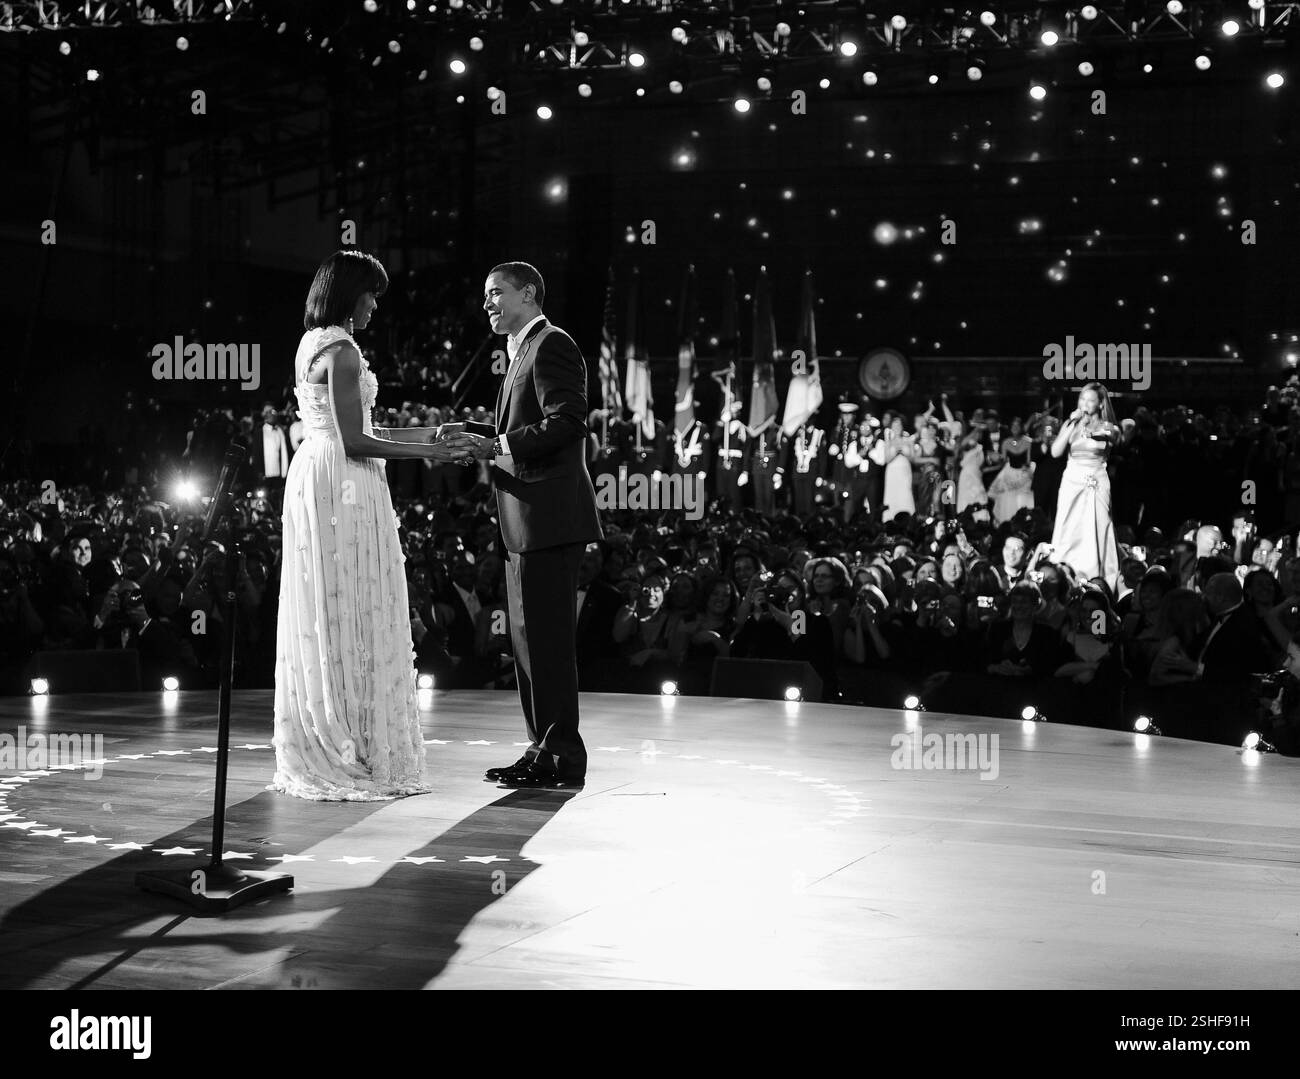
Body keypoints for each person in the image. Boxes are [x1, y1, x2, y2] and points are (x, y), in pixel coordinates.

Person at [272, 250, 471, 801]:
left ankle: (339, 729)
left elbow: (361, 427)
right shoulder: (342, 349)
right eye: (372, 294)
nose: (376, 305)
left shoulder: (313, 343)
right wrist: (431, 455)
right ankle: (351, 741)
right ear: (350, 293)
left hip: (322, 470)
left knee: (332, 607)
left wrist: (431, 438)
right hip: (344, 480)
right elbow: (358, 440)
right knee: (353, 604)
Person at [451, 261, 603, 789]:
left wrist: (497, 445)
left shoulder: (551, 344)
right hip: (525, 521)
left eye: (496, 293)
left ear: (529, 293)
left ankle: (561, 755)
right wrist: (476, 436)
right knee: (527, 642)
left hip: (549, 518)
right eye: (485, 295)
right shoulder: (520, 351)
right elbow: (521, 430)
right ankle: (543, 748)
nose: (487, 303)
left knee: (548, 644)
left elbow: (567, 421)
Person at [1050, 381, 1120, 591]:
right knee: (1069, 527)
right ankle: (1063, 576)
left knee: (1097, 525)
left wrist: (1092, 433)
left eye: (1090, 400)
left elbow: (1113, 437)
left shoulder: (1108, 427)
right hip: (1072, 480)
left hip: (1096, 479)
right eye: (1082, 399)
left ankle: (1098, 579)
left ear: (1100, 404)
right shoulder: (1072, 424)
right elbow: (1055, 452)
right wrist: (1072, 424)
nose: (1085, 403)